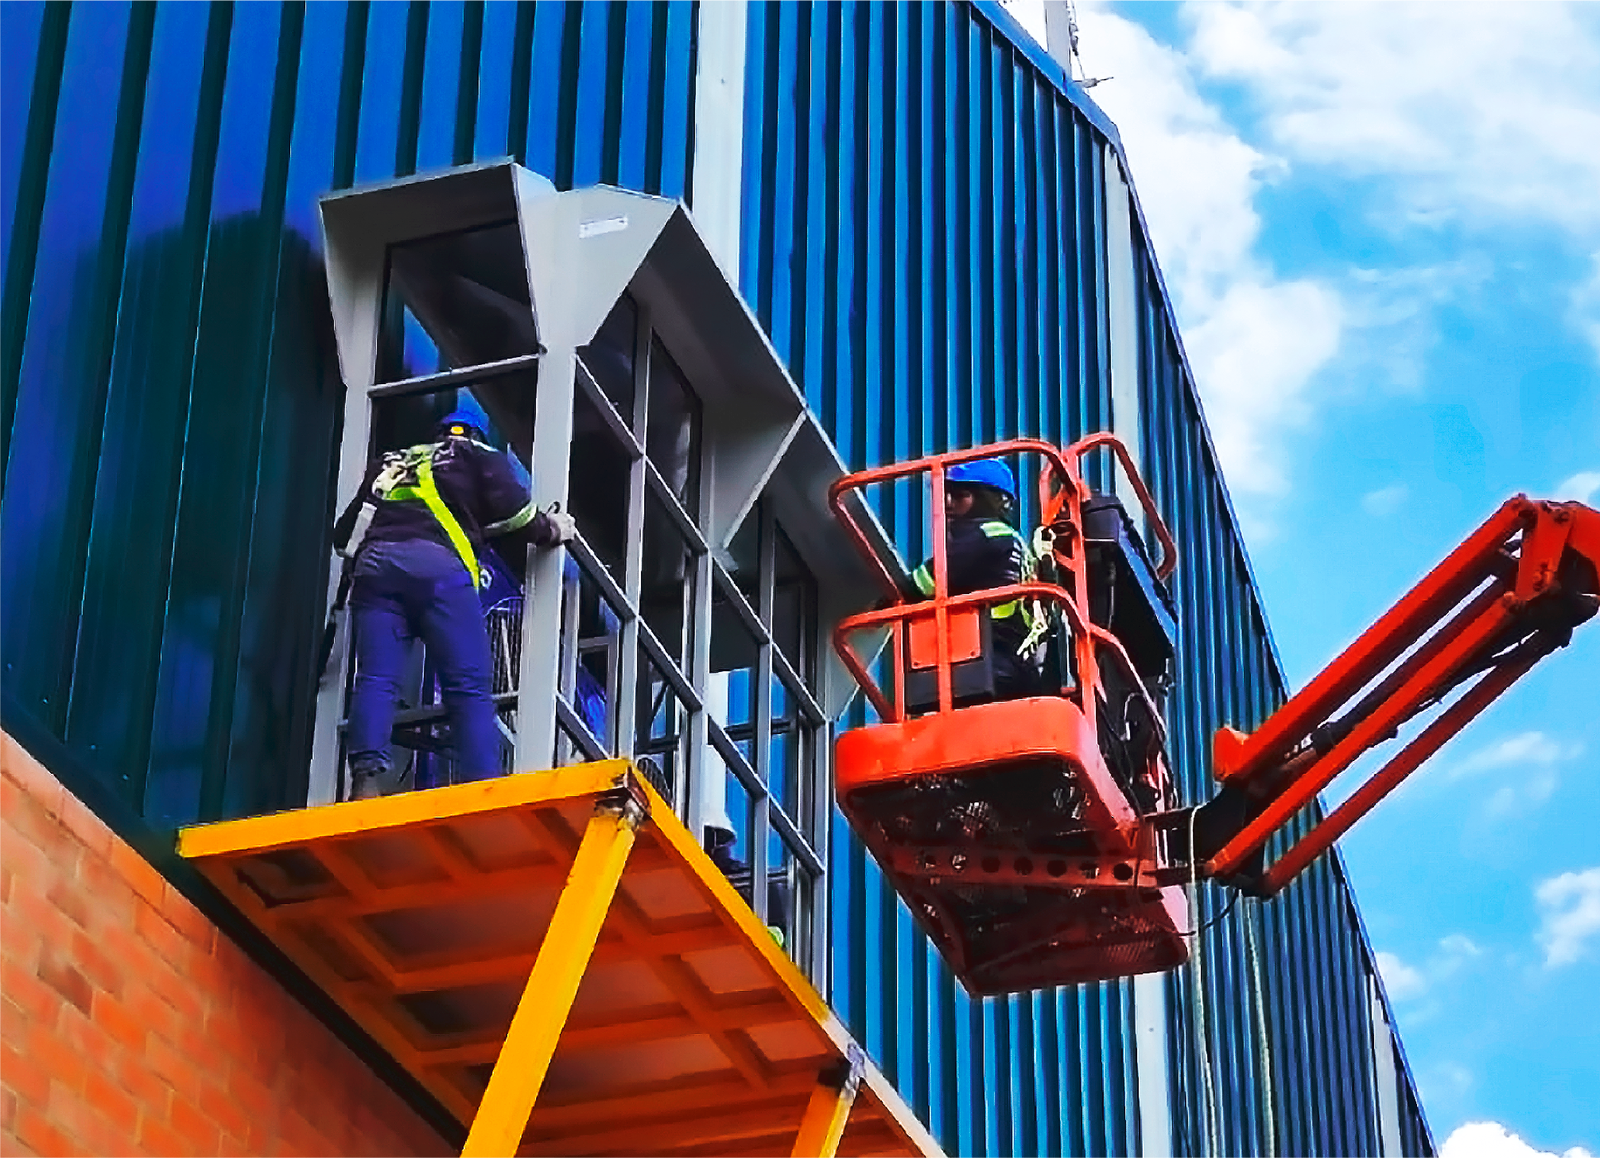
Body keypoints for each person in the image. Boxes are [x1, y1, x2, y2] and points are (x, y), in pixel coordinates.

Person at [333, 409, 575, 800]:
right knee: (468, 685)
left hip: (374, 571)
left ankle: (366, 780)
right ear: (476, 435)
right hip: (436, 570)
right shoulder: (477, 454)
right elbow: (518, 512)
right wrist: (552, 529)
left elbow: (345, 534)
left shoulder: (393, 463)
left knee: (377, 679)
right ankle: (483, 787)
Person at [900, 457, 1044, 701]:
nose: (948, 504)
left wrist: (884, 597)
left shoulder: (985, 533)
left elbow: (927, 581)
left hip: (991, 664)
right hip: (1016, 665)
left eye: (960, 496)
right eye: (947, 495)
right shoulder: (1016, 542)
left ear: (989, 500)